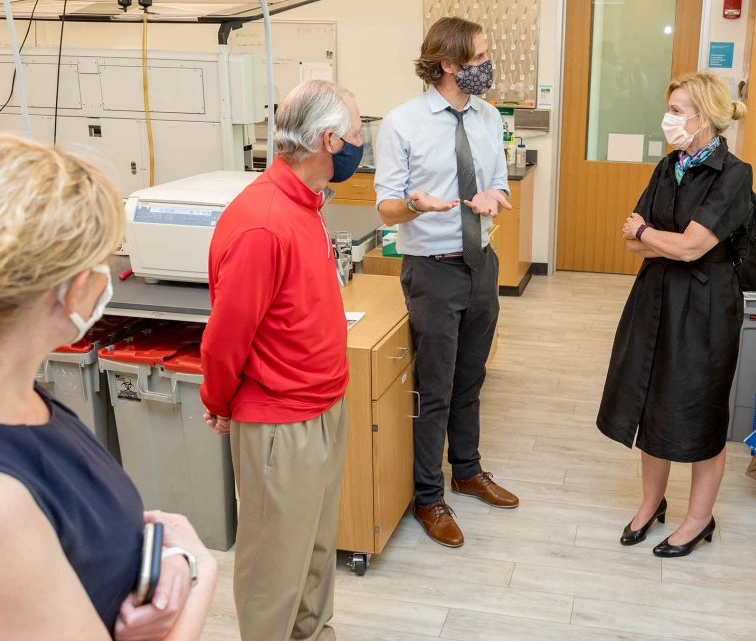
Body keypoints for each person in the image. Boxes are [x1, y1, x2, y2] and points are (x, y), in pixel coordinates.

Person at [0, 134, 217, 641]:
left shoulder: (14, 400)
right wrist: (204, 572)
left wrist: (173, 558)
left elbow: (76, 526)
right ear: (73, 287)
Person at [199, 79, 362, 641]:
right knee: (274, 568)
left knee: (315, 553)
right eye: (358, 135)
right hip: (279, 421)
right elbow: (225, 337)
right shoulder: (263, 222)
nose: (363, 145)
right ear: (329, 140)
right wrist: (218, 401)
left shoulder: (306, 205)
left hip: (322, 408)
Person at [374, 16, 519, 549]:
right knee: (434, 388)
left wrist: (493, 197)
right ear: (449, 65)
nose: (487, 66)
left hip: (482, 262)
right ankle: (428, 496)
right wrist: (415, 204)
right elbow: (386, 207)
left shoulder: (485, 117)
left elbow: (498, 179)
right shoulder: (402, 123)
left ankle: (467, 470)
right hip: (432, 269)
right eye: (479, 59)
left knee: (471, 378)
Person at [598, 71, 751, 557]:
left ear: (704, 118)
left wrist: (650, 235)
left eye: (678, 110)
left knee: (700, 410)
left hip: (706, 306)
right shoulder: (669, 167)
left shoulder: (733, 174)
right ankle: (651, 504)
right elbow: (630, 241)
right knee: (652, 400)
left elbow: (689, 246)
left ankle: (698, 520)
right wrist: (650, 238)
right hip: (656, 297)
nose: (669, 119)